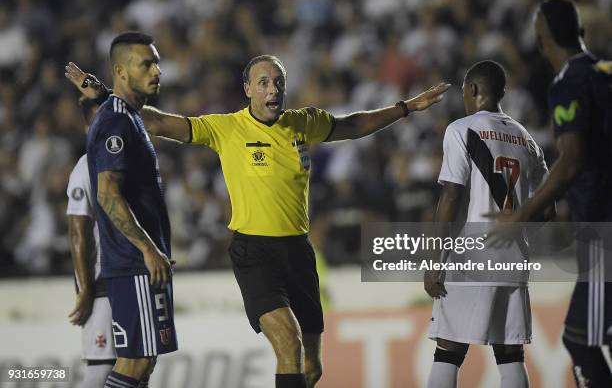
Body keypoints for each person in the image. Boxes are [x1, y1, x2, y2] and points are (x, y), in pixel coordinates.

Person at [66, 53, 449, 388]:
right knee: (289, 342)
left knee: (311, 368)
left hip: (299, 251)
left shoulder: (303, 122)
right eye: (263, 82)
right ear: (247, 88)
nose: (273, 89)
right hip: (254, 251)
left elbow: (354, 125)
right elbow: (157, 121)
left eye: (278, 82)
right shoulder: (227, 128)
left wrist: (404, 108)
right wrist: (104, 94)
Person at [489, 0, 612, 386]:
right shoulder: (605, 71)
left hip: (603, 230)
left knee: (580, 339)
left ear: (541, 40)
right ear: (581, 32)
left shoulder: (568, 82)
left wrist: (522, 214)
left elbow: (571, 160)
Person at [424, 60, 550, 388]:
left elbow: (450, 196)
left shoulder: (461, 129)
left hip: (472, 254)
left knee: (448, 352)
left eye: (466, 90)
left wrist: (435, 259)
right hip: (515, 256)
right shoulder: (527, 139)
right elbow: (547, 208)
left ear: (474, 90)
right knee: (510, 355)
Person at [70, 31, 176, 388]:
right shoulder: (116, 122)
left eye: (157, 62)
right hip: (133, 264)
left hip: (139, 263)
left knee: (141, 364)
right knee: (136, 362)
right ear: (121, 70)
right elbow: (108, 195)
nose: (157, 70)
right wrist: (148, 249)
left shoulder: (127, 116)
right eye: (146, 63)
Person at [67, 96, 116, 388]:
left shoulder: (131, 162)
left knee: (137, 366)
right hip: (101, 282)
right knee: (101, 369)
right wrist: (85, 288)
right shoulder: (86, 168)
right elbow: (77, 232)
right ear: (87, 128)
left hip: (131, 277)